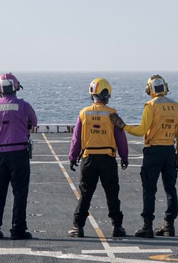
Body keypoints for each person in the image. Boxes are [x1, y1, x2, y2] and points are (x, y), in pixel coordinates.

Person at [111, 74, 178, 238]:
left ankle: (147, 226)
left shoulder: (150, 106)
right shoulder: (176, 106)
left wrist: (123, 126)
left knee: (149, 188)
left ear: (149, 89)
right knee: (170, 189)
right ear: (165, 87)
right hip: (169, 151)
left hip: (153, 152)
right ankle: (169, 225)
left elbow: (141, 130)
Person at [67, 77, 129, 238]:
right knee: (112, 194)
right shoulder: (112, 114)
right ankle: (117, 227)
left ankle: (78, 227)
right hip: (108, 159)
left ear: (92, 94)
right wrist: (124, 157)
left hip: (89, 160)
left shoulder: (84, 113)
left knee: (86, 194)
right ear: (107, 94)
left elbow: (76, 138)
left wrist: (72, 157)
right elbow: (120, 137)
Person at [0, 72, 38, 240]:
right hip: (19, 153)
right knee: (20, 192)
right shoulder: (24, 106)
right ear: (16, 86)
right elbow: (34, 123)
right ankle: (18, 229)